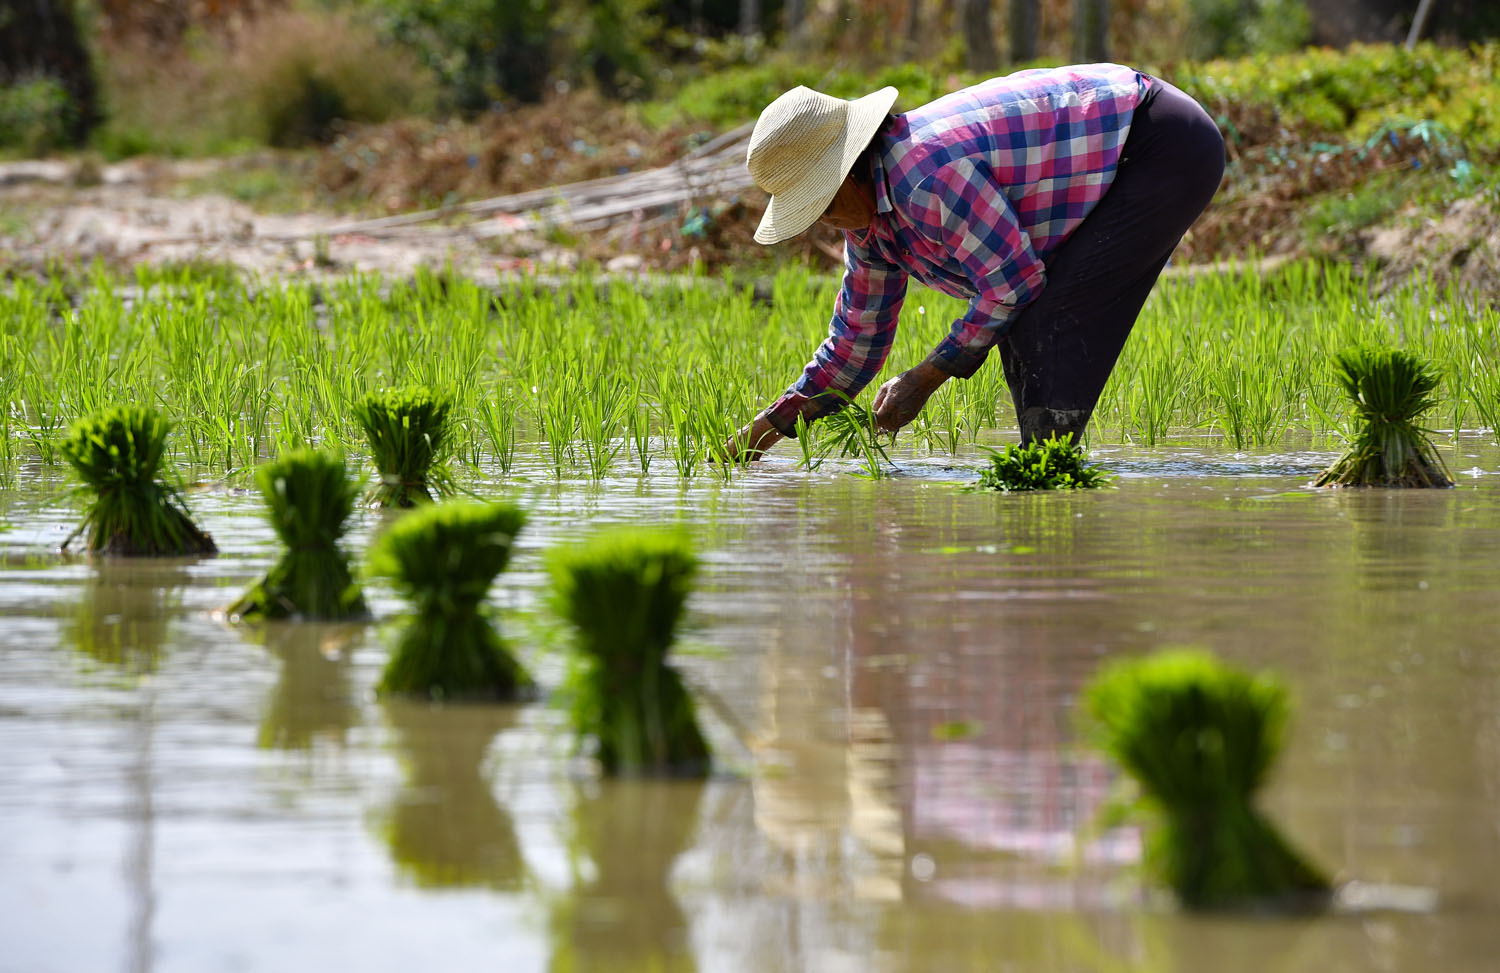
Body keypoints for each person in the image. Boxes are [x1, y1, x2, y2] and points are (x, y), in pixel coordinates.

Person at [720, 63, 1225, 460]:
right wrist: (766, 429)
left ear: (850, 168)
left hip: (1158, 141)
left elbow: (1013, 285)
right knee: (1027, 326)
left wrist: (925, 377)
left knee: (1047, 321)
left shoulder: (927, 176)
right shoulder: (871, 224)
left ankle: (1047, 484)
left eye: (824, 202)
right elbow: (855, 342)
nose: (827, 222)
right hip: (1123, 150)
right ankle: (1046, 473)